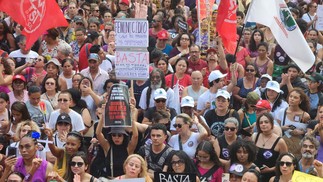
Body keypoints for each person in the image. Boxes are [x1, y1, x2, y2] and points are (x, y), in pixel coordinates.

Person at [94, 102, 138, 178]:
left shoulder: (129, 148)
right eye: (114, 135)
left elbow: (135, 135)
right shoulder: (107, 147)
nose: (116, 137)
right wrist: (103, 115)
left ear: (124, 136)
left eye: (119, 135)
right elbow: (98, 133)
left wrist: (131, 117)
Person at [253, 113, 288, 182]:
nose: (263, 124)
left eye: (266, 122)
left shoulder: (280, 142)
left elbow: (285, 162)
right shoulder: (254, 137)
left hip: (272, 176)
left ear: (272, 123)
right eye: (261, 122)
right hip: (255, 174)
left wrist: (270, 169)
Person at [277, 88, 310, 158]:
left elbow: (308, 132)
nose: (292, 99)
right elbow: (276, 128)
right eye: (290, 96)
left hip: (298, 147)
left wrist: (301, 132)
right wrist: (283, 128)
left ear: (300, 101)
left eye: (295, 97)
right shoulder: (282, 112)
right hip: (284, 145)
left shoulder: (305, 115)